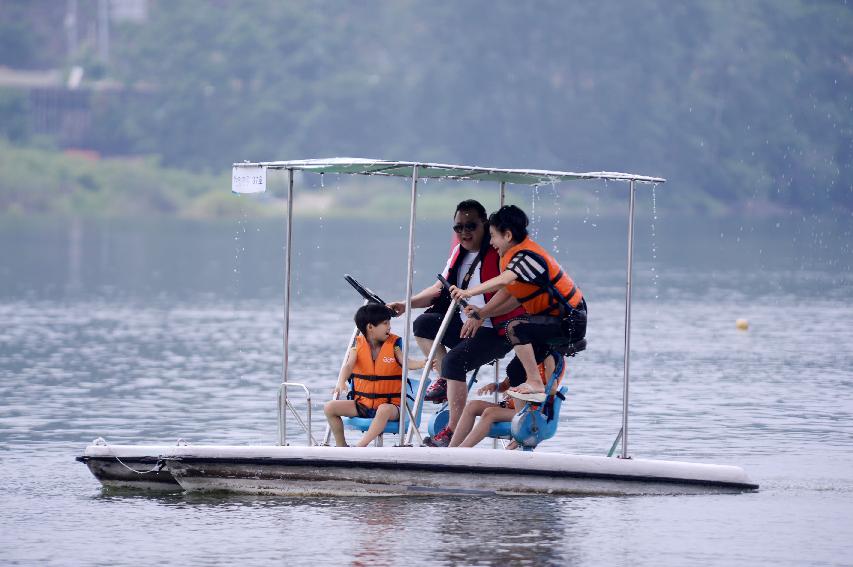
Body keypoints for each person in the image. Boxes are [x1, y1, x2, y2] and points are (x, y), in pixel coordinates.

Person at [387, 200, 525, 447]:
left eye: (470, 226)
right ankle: (444, 377)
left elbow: (515, 295)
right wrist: (406, 303)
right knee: (423, 324)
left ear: (485, 225)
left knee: (454, 361)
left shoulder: (500, 252)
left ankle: (452, 429)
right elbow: (439, 290)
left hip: (495, 331)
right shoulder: (458, 253)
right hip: (465, 323)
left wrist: (481, 314)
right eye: (458, 227)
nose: (464, 232)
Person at [451, 204, 586, 403]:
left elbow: (504, 280)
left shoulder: (527, 257)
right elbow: (511, 296)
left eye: (493, 236)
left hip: (570, 322)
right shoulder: (512, 258)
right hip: (551, 321)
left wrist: (467, 292)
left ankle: (536, 383)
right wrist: (482, 313)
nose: (492, 242)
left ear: (507, 235)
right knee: (514, 370)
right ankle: (526, 410)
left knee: (514, 327)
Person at [323, 303, 424, 447]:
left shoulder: (394, 345)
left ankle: (360, 447)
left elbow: (406, 362)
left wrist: (422, 364)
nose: (389, 326)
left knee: (383, 409)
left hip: (391, 407)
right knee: (329, 407)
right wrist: (341, 382)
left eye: (389, 322)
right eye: (385, 323)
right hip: (363, 405)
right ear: (370, 327)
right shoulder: (357, 347)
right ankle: (342, 446)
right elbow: (348, 366)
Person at [449, 350, 564, 448]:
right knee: (472, 406)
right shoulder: (524, 354)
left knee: (490, 413)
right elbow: (505, 385)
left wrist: (531, 389)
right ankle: (451, 448)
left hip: (532, 411)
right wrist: (495, 386)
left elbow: (552, 389)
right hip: (510, 406)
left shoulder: (548, 357)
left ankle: (462, 450)